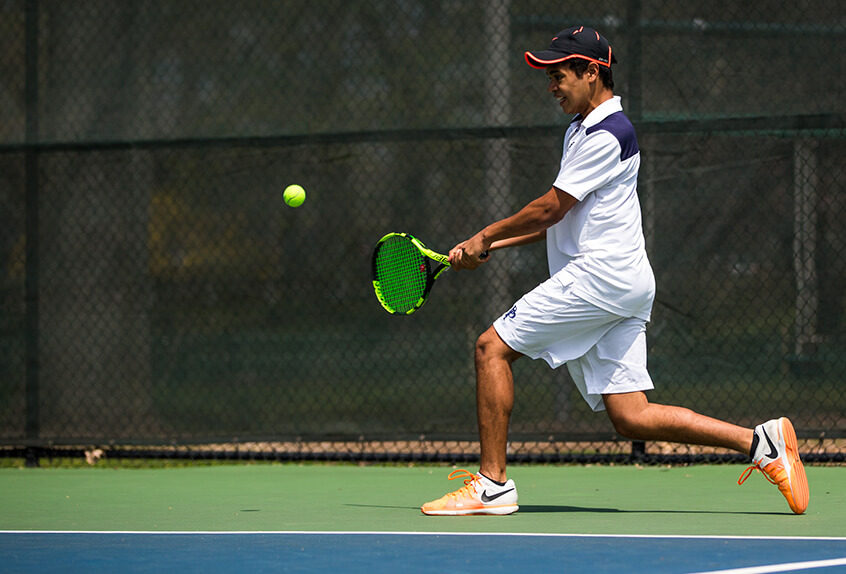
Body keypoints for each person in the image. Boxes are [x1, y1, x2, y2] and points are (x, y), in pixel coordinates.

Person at [420, 25, 809, 516]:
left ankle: (492, 485)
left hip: (599, 279)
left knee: (490, 348)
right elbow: (560, 220)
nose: (551, 87)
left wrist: (487, 233)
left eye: (559, 75)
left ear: (591, 72)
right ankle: (761, 442)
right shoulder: (580, 129)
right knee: (631, 416)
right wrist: (486, 246)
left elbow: (549, 208)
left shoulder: (608, 133)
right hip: (622, 283)